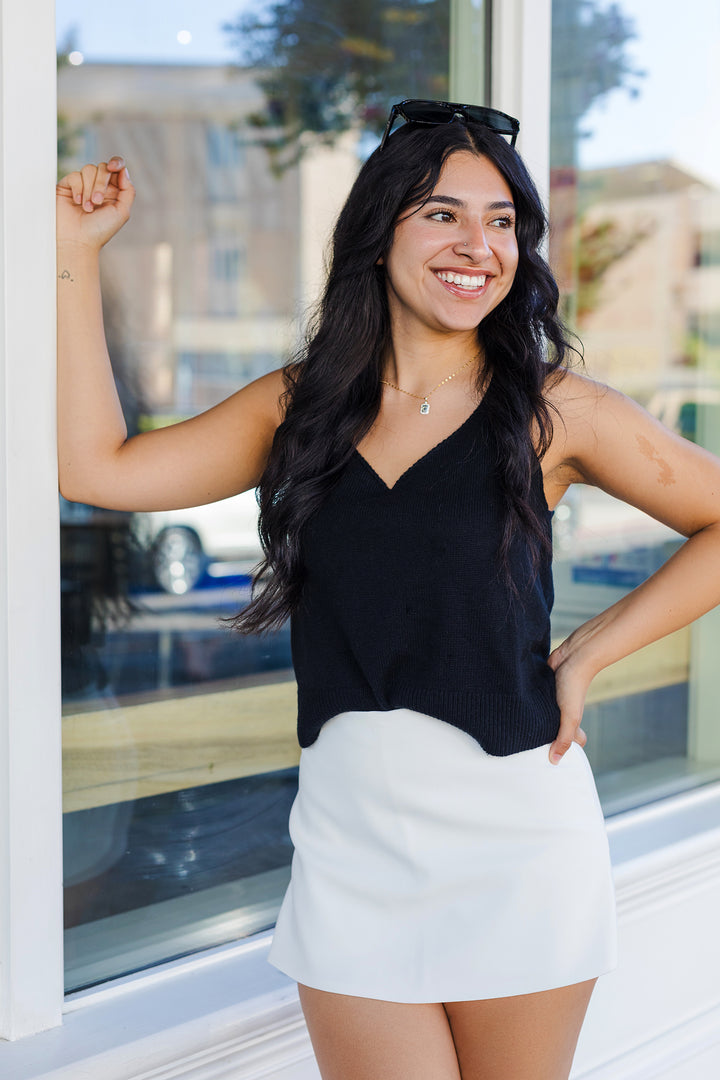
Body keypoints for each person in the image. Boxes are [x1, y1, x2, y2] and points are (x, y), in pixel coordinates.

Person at [56, 99, 720, 1080]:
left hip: (519, 844)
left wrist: (592, 650)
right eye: (442, 213)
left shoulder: (553, 411)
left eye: (502, 222)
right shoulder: (302, 407)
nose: (478, 244)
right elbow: (99, 471)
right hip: (351, 846)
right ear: (379, 235)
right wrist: (74, 258)